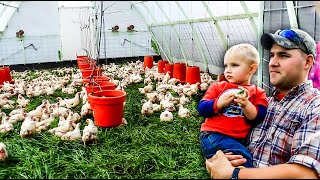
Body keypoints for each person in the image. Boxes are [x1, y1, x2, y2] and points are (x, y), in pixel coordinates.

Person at [205, 28, 320, 179]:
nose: (272, 63)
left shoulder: (314, 105)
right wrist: (218, 160)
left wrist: (234, 174)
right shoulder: (265, 104)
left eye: (283, 55)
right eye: (272, 55)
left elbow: (306, 174)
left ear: (307, 62)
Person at [197, 43, 268, 168]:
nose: (228, 70)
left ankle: (224, 168)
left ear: (252, 69)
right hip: (214, 135)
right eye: (226, 66)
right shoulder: (218, 87)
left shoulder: (258, 92)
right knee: (243, 156)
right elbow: (202, 108)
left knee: (238, 156)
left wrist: (246, 105)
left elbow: (258, 117)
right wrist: (219, 103)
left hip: (238, 140)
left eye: (234, 65)